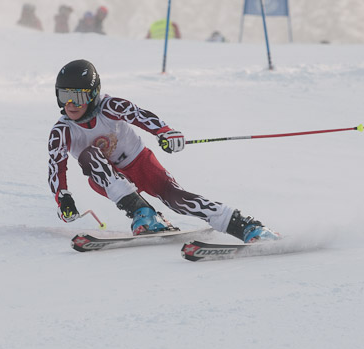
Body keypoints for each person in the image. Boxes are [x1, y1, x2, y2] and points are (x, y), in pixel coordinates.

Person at [48, 59, 280, 242]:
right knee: (89, 156)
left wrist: (166, 132)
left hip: (139, 163)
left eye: (77, 98)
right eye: (64, 96)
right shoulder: (62, 131)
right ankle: (144, 214)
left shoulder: (109, 107)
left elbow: (139, 115)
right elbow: (55, 167)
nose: (70, 105)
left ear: (92, 94)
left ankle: (246, 226)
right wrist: (63, 199)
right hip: (107, 180)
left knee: (176, 199)